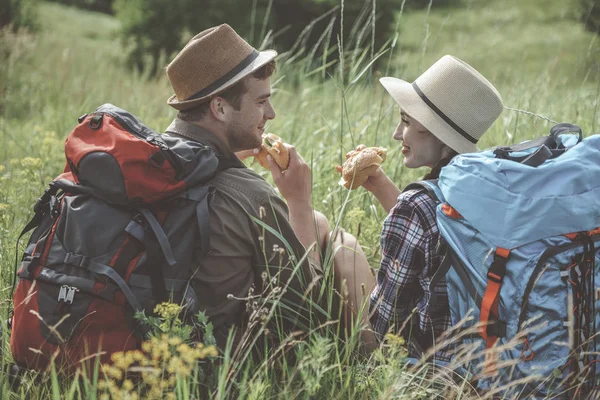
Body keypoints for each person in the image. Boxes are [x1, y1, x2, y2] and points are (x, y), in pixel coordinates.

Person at [162, 24, 376, 353]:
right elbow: (310, 313)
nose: (271, 114)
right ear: (219, 108)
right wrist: (298, 201)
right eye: (262, 102)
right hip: (234, 365)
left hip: (158, 345)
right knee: (341, 242)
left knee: (317, 223)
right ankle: (374, 360)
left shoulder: (155, 162)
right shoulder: (251, 196)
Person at [334, 55, 504, 359]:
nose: (397, 134)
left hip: (432, 372)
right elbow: (437, 239)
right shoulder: (487, 187)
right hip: (494, 361)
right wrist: (384, 188)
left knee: (337, 244)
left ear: (439, 134)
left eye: (407, 121)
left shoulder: (415, 207)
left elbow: (386, 320)